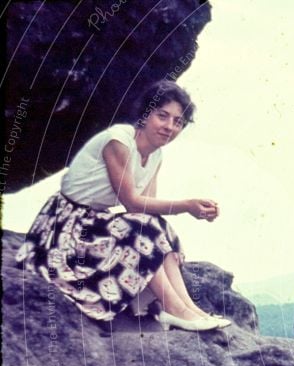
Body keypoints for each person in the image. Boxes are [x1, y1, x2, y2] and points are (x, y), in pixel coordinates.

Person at [14, 79, 230, 331]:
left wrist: (190, 207)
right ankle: (174, 308)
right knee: (145, 229)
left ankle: (189, 309)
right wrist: (186, 205)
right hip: (66, 227)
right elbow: (131, 200)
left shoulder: (156, 155)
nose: (169, 126)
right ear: (145, 114)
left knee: (158, 227)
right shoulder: (118, 140)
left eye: (178, 122)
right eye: (163, 116)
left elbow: (143, 211)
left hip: (94, 223)